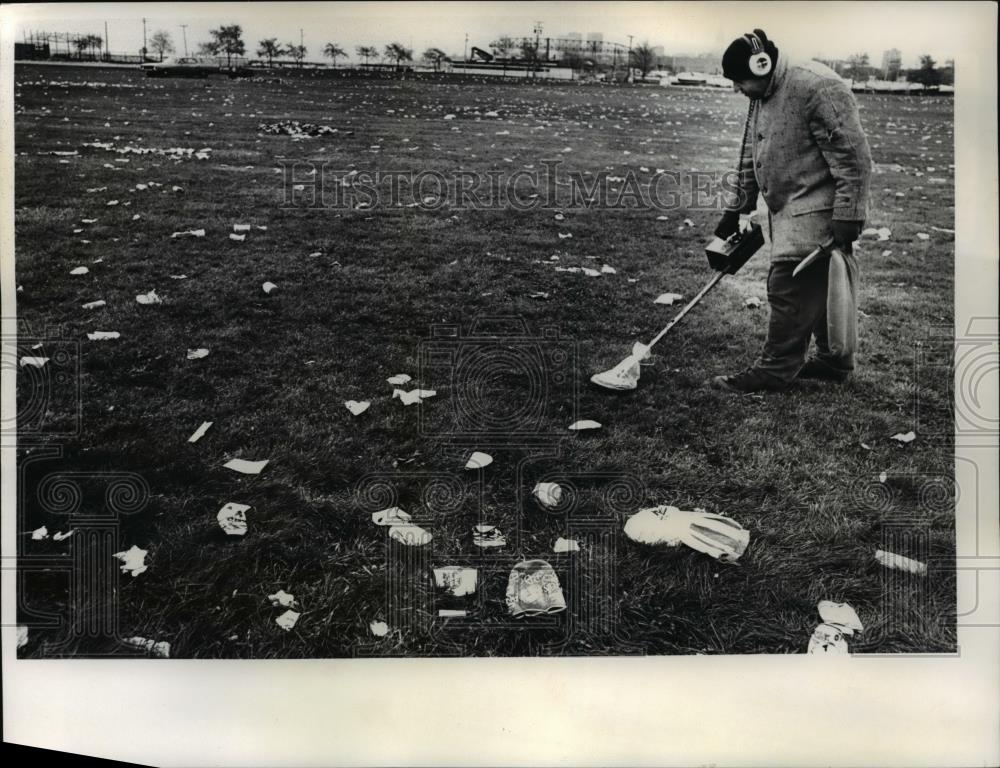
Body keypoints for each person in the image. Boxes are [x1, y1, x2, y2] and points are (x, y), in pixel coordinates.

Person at [709, 29, 873, 393]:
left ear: (761, 65)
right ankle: (833, 362)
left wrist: (849, 214)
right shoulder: (764, 93)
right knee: (820, 285)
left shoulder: (816, 86)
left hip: (821, 210)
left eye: (740, 81)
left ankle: (773, 370)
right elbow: (751, 154)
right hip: (788, 210)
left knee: (789, 286)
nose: (738, 88)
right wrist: (738, 206)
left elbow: (854, 160)